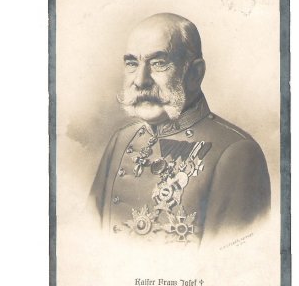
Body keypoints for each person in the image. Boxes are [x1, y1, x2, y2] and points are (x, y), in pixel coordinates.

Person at [89, 13, 270, 245]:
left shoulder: (237, 153)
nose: (141, 80)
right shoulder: (122, 139)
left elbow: (227, 260)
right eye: (132, 63)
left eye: (158, 63)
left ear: (195, 73)